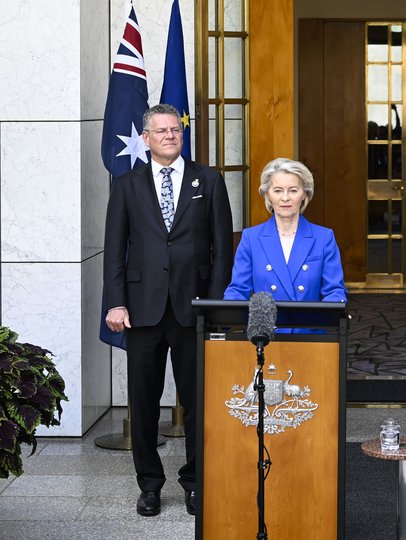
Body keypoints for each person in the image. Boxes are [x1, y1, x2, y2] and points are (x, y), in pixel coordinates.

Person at [103, 104, 233, 517]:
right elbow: (115, 251)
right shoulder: (126, 185)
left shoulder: (208, 180)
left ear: (183, 134)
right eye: (161, 131)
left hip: (194, 308)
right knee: (143, 401)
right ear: (145, 138)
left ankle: (195, 482)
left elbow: (222, 249)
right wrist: (116, 301)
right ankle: (150, 485)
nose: (169, 136)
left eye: (175, 130)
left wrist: (213, 304)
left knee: (198, 401)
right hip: (141, 310)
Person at [224, 158, 347, 303]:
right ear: (267, 194)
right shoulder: (251, 238)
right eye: (278, 190)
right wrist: (226, 315)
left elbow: (334, 291)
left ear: (304, 194)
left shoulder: (324, 238)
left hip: (308, 324)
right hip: (268, 326)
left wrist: (331, 312)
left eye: (293, 190)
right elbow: (238, 290)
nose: (285, 198)